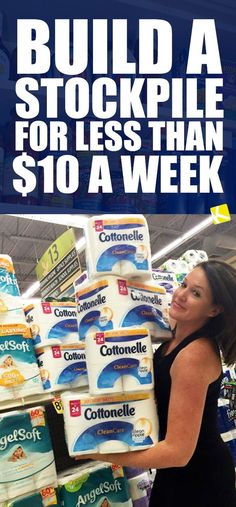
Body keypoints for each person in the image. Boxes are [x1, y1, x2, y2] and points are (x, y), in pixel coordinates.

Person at [76, 260, 236, 507]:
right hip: (178, 472)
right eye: (183, 285)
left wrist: (100, 452)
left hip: (199, 480)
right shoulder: (175, 335)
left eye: (196, 293)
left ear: (214, 309)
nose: (181, 295)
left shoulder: (194, 355)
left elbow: (177, 452)